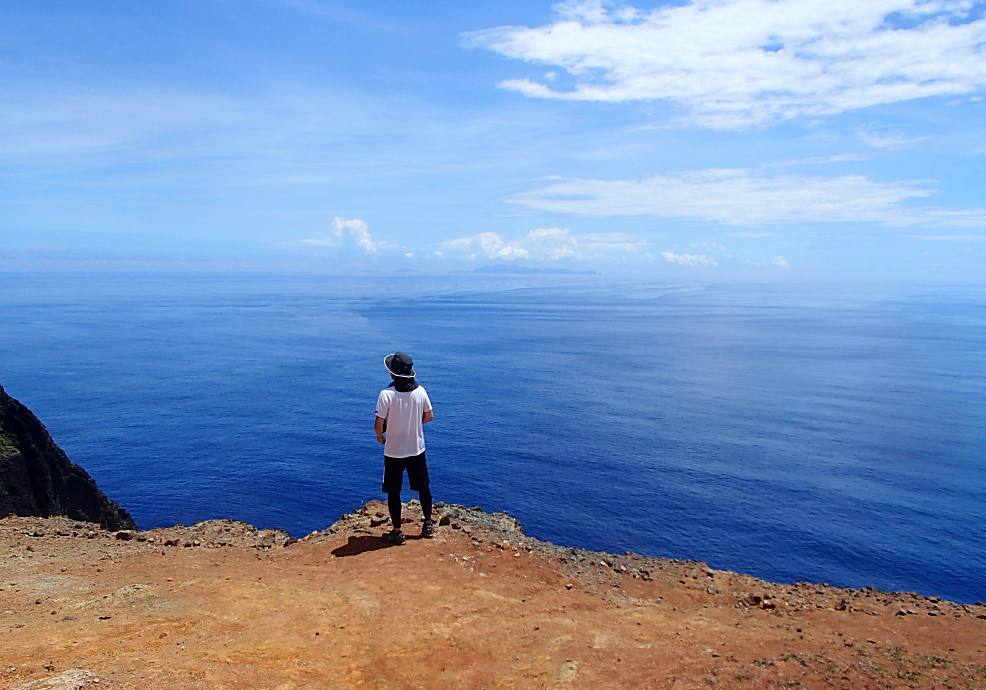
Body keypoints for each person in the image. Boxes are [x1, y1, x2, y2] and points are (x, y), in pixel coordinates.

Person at [374, 351, 434, 545]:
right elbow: (429, 416)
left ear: (393, 373)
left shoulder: (386, 395)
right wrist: (413, 427)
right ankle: (428, 524)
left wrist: (380, 436)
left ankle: (398, 531)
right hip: (417, 448)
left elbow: (378, 422)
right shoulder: (420, 391)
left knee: (394, 491)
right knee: (423, 487)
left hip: (394, 451)